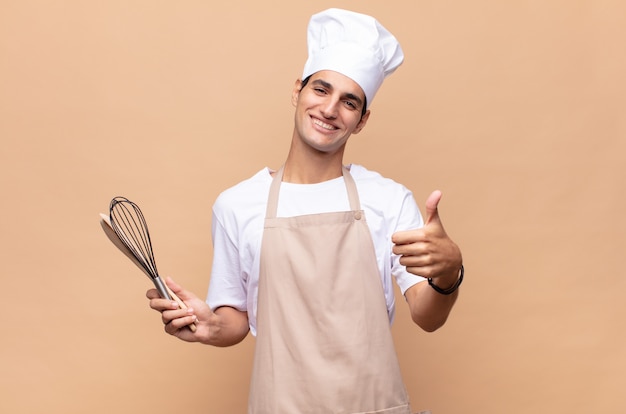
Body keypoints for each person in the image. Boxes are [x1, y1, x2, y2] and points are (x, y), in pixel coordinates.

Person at [147, 8, 463, 413]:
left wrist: (450, 272)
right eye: (321, 90)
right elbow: (236, 318)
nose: (330, 109)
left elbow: (427, 315)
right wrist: (209, 326)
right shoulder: (237, 204)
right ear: (297, 91)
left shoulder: (387, 199)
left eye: (349, 102)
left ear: (362, 120)